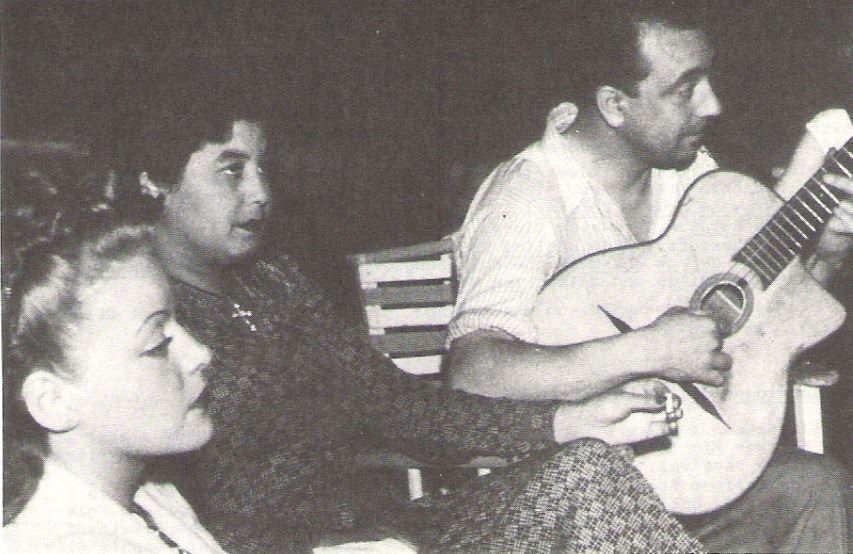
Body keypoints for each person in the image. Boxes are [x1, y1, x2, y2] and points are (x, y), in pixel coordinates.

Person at [107, 81, 708, 552]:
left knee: (586, 469)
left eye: (262, 168)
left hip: (383, 533)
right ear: (153, 179)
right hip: (297, 549)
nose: (260, 192)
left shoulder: (274, 282)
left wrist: (563, 421)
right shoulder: (138, 321)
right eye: (232, 170)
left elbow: (397, 405)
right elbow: (155, 510)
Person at [447, 2, 852, 552]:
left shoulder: (693, 175)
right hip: (578, 503)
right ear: (614, 105)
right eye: (686, 89)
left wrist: (828, 252)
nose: (713, 104)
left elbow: (762, 320)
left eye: (708, 80)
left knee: (816, 489)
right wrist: (649, 350)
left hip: (686, 474)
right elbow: (472, 375)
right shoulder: (527, 201)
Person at [2, 215, 226, 553]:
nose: (201, 353)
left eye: (181, 324)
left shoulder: (151, 496)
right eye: (158, 344)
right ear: (54, 402)